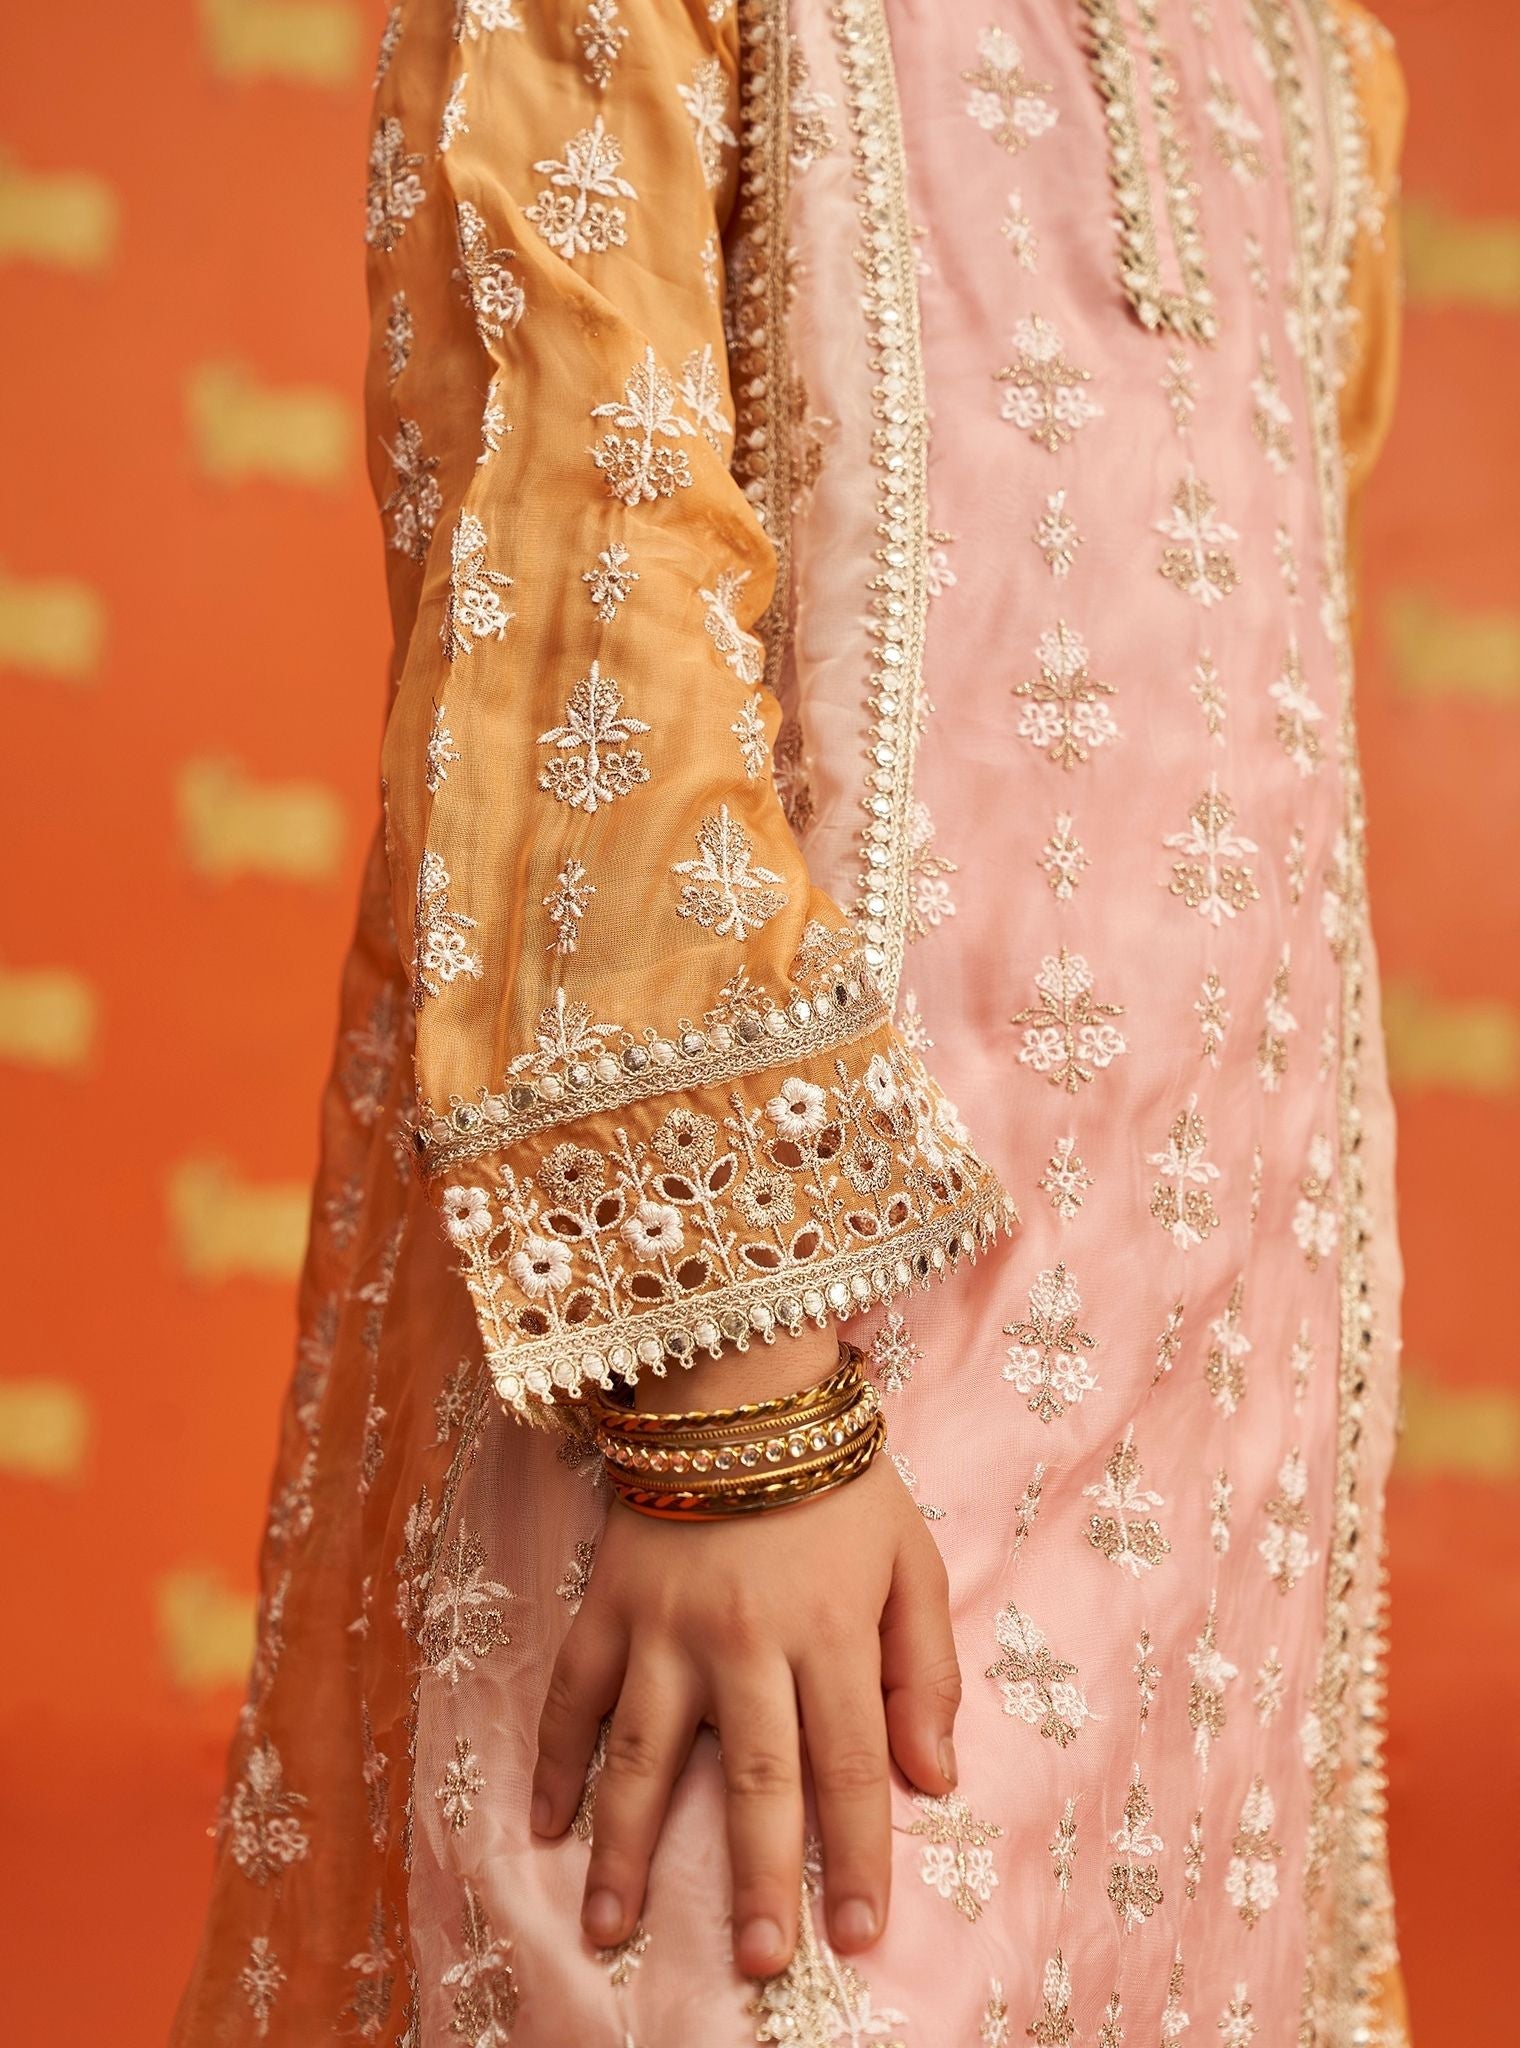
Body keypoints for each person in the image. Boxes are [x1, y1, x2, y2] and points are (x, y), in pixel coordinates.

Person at [173, 3, 1409, 2042]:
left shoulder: (1306, 50)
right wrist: (737, 1421)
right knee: (746, 1949)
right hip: (764, 1398)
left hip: (1201, 1430)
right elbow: (580, 583)